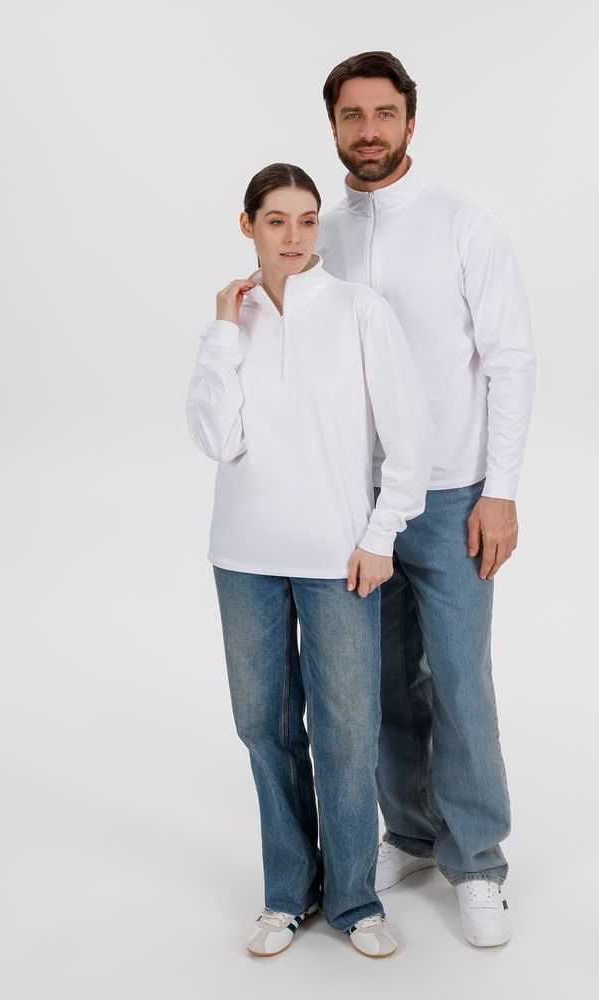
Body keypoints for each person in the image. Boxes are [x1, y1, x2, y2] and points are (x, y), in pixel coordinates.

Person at [315, 52, 536, 948]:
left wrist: (501, 492)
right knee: (380, 683)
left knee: (459, 679)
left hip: (450, 498)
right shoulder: (321, 230)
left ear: (411, 121)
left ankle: (477, 861)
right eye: (352, 115)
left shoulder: (464, 224)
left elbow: (511, 359)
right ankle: (409, 835)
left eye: (384, 113)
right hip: (353, 499)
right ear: (333, 126)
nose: (368, 130)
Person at [185, 162, 433, 958]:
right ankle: (288, 893)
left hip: (339, 557)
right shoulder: (236, 321)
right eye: (276, 220)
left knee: (347, 730)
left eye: (305, 219)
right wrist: (223, 331)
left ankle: (355, 899)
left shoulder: (360, 310)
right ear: (248, 225)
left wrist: (380, 535)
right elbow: (216, 438)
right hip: (243, 556)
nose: (293, 236)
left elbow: (410, 438)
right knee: (264, 727)